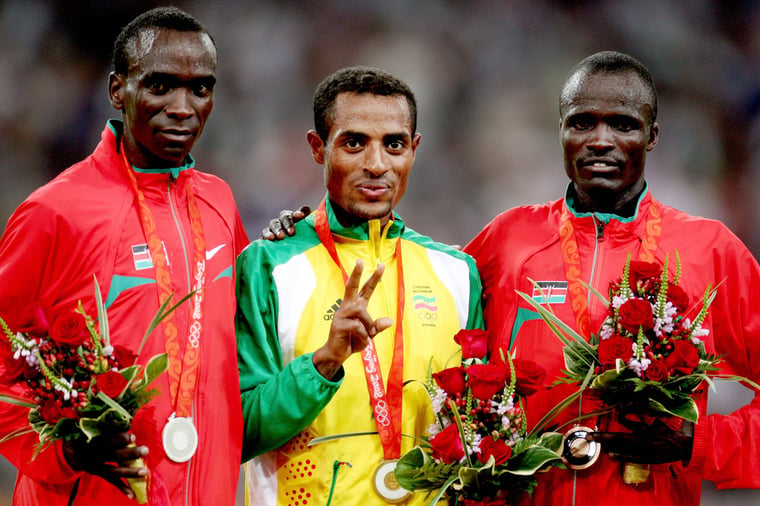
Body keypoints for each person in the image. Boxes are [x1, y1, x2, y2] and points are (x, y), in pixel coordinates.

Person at [464, 51, 760, 505]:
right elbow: (417, 320)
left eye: (623, 124)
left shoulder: (710, 250)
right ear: (560, 130)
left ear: (652, 136)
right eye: (582, 123)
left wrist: (700, 443)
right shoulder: (508, 240)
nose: (600, 140)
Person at [0, 7, 248, 505]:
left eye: (201, 88)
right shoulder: (56, 211)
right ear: (118, 90)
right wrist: (65, 452)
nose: (183, 106)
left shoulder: (220, 202)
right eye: (161, 86)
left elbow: (237, 340)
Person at [235, 66, 484, 505]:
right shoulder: (267, 266)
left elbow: (479, 428)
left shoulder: (457, 273)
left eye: (394, 144)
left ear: (414, 149)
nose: (376, 164)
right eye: (354, 143)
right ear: (318, 148)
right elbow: (239, 431)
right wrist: (324, 363)